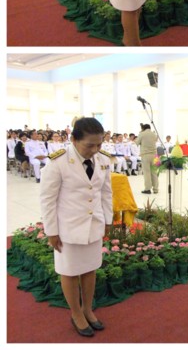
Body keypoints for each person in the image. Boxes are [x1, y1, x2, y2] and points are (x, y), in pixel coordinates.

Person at [40, 117, 113, 337]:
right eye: (89, 145)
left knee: (90, 268)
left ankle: (88, 309)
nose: (95, 150)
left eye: (99, 144)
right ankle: (76, 313)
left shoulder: (103, 159)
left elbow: (106, 193)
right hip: (68, 228)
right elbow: (47, 200)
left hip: (93, 224)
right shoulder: (58, 162)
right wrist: (51, 231)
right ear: (73, 139)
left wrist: (108, 220)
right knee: (70, 272)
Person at [136, 124, 159, 194]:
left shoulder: (142, 134)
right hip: (155, 155)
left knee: (147, 173)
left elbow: (136, 143)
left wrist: (140, 133)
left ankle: (147, 189)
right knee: (154, 172)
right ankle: (155, 189)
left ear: (143, 128)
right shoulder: (154, 134)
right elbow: (156, 140)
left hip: (146, 155)